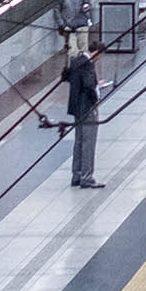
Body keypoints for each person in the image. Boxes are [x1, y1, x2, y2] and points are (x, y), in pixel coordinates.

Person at [62, 50, 107, 188]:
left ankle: (76, 174)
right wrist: (96, 93)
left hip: (76, 108)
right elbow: (88, 86)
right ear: (97, 53)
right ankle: (87, 177)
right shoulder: (88, 65)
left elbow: (68, 77)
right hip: (87, 108)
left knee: (79, 141)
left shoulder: (75, 61)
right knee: (88, 142)